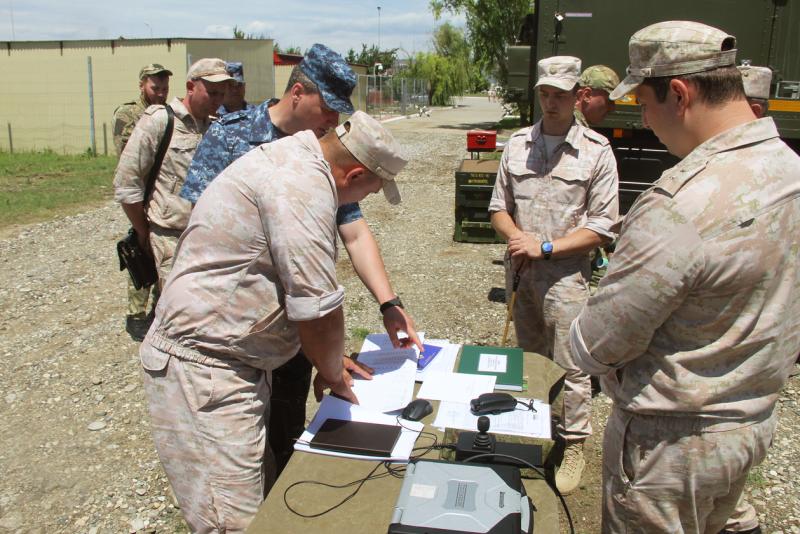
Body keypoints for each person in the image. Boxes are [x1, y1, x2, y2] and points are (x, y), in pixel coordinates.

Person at [569, 21, 800, 534]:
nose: (644, 120)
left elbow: (597, 343)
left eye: (645, 104)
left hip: (668, 451)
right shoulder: (789, 169)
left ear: (679, 94)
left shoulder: (681, 203)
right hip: (751, 426)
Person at [140, 110, 407, 533]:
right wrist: (333, 372)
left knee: (257, 503)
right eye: (372, 191)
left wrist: (330, 361)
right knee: (232, 521)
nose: (366, 200)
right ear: (354, 175)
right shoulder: (301, 188)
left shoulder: (299, 159)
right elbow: (316, 307)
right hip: (205, 367)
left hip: (231, 363)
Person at [181, 43, 421, 475]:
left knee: (286, 422)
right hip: (232, 323)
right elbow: (202, 230)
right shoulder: (234, 135)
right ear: (297, 92)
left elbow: (352, 227)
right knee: (235, 455)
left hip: (287, 322)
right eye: (328, 108)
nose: (334, 120)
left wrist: (390, 303)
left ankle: (281, 478)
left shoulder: (323, 153)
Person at [489, 56, 619, 495]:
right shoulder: (517, 144)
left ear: (577, 96)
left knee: (572, 364)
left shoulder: (596, 151)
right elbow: (497, 209)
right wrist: (516, 238)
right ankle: (535, 430)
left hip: (565, 278)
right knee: (530, 360)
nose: (550, 102)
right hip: (522, 272)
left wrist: (544, 247)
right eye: (544, 93)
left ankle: (574, 443)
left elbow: (602, 227)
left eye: (559, 95)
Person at [113, 58, 232, 289]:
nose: (218, 100)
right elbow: (127, 183)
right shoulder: (160, 121)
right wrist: (143, 232)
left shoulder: (217, 127)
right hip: (169, 238)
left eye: (221, 94)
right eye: (212, 92)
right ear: (190, 87)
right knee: (174, 308)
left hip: (208, 237)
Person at [112, 63, 172, 341]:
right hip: (139, 192)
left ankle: (156, 312)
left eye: (164, 89)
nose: (160, 94)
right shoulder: (128, 114)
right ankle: (135, 314)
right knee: (140, 248)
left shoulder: (168, 114)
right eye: (154, 88)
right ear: (142, 85)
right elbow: (126, 155)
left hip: (160, 193)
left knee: (163, 253)